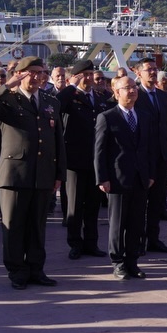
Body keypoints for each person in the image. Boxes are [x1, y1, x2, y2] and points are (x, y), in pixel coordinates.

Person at [0, 56, 64, 290]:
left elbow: (57, 140)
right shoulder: (7, 100)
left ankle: (36, 268)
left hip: (43, 172)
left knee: (37, 225)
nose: (37, 77)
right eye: (31, 72)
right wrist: (8, 85)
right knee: (14, 225)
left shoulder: (50, 101)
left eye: (40, 72)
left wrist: (59, 173)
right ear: (21, 73)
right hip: (15, 173)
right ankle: (16, 270)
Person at [95, 73, 158, 280]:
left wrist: (150, 174)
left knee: (136, 223)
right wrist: (102, 178)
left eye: (134, 87)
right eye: (127, 88)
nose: (132, 91)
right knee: (118, 223)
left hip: (140, 178)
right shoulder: (107, 117)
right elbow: (100, 151)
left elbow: (149, 148)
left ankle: (132, 261)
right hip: (117, 179)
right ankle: (118, 262)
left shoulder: (145, 116)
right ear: (116, 92)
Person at [58, 61, 109, 259]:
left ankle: (91, 243)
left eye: (90, 74)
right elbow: (56, 104)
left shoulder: (99, 96)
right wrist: (71, 85)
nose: (88, 78)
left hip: (95, 160)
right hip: (75, 160)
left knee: (93, 205)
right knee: (75, 206)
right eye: (84, 75)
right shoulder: (70, 96)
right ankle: (75, 243)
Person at [133, 60, 167, 251]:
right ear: (138, 74)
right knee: (139, 202)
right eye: (148, 70)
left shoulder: (165, 97)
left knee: (157, 201)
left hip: (161, 156)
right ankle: (137, 240)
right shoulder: (135, 94)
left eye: (155, 69)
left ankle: (153, 238)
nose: (152, 72)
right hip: (142, 156)